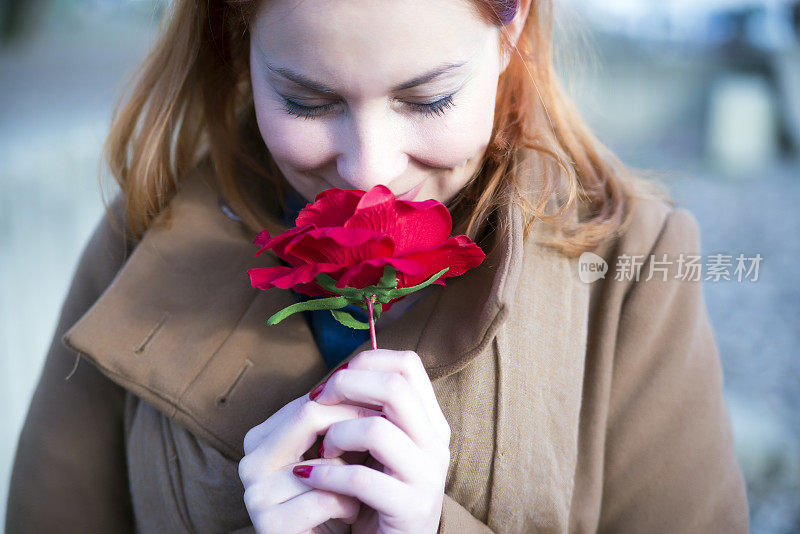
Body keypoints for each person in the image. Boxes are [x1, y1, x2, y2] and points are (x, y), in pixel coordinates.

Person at [5, 0, 750, 532]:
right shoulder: (141, 245)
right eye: (305, 100)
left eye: (427, 99)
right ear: (237, 41)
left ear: (509, 28)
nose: (368, 171)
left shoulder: (630, 264)